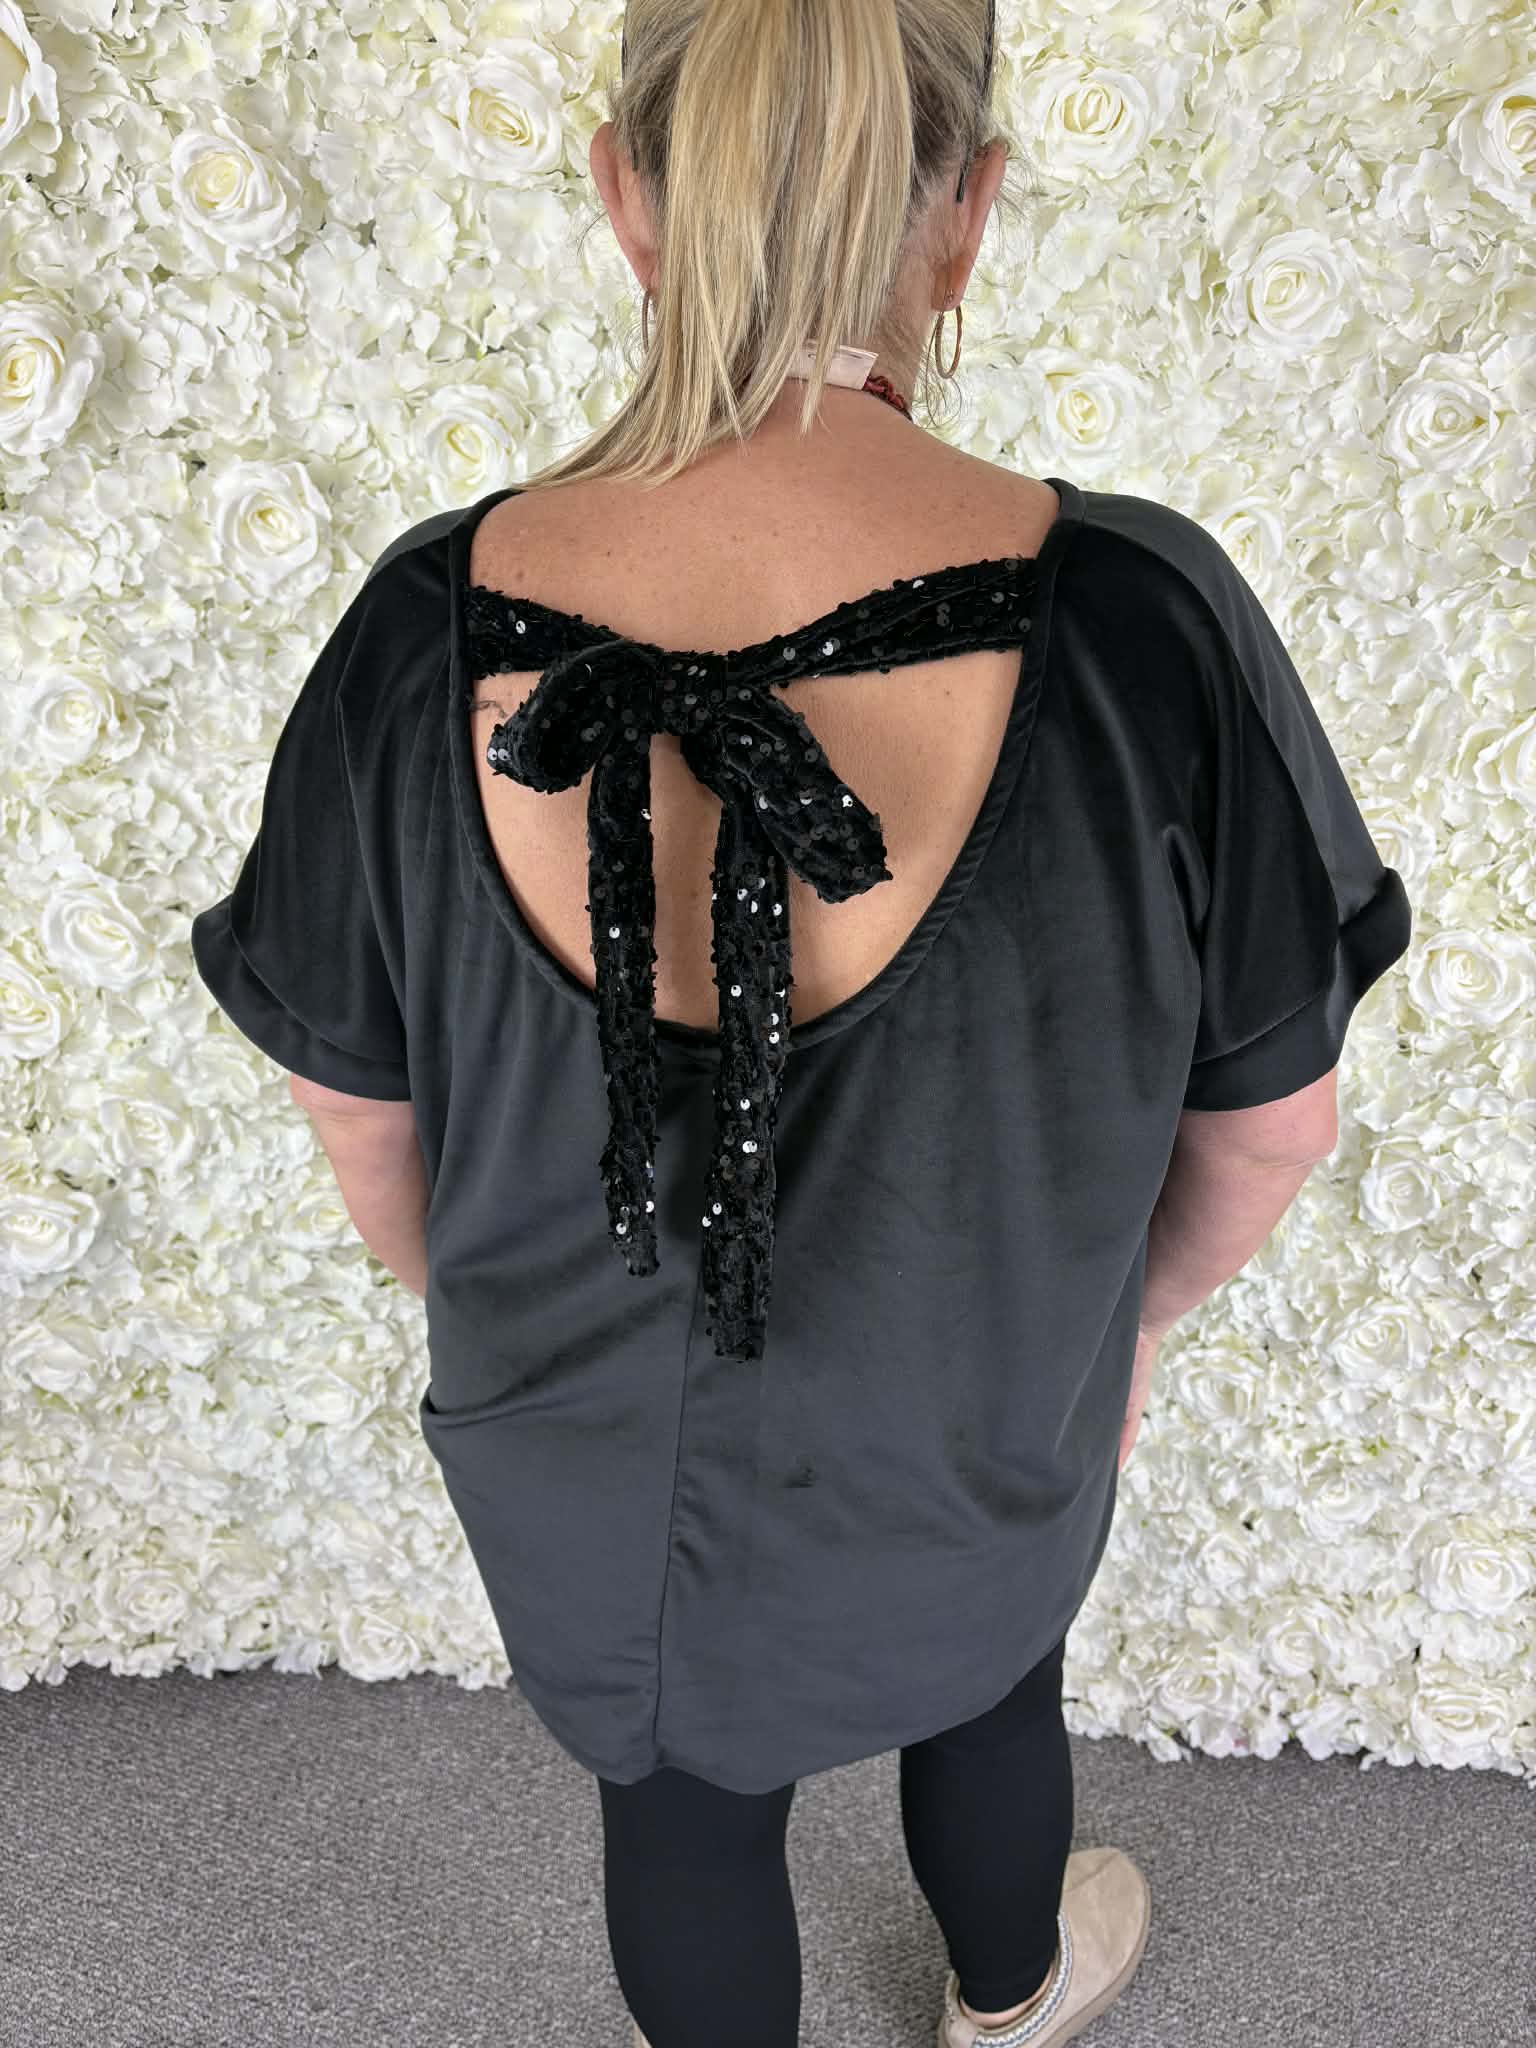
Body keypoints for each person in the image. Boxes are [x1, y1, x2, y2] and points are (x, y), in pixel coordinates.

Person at [188, 2, 1414, 2044]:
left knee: (679, 1810)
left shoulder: (424, 626)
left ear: (626, 196)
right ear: (970, 211)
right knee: (994, 1690)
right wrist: (1115, 1336)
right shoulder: (1140, 619)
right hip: (980, 1399)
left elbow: (354, 1107)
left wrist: (512, 1327)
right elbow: (1274, 1123)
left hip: (581, 1440)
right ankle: (1010, 1994)